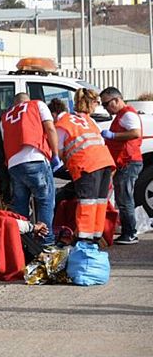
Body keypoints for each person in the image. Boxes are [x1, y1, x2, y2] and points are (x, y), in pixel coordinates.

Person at [50, 90, 116, 244]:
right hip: (105, 163)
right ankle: (96, 237)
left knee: (87, 203)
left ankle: (84, 241)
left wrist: (53, 165)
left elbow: (57, 152)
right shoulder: (88, 120)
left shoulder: (62, 124)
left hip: (87, 166)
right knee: (100, 203)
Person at [0, 92, 59, 245]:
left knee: (20, 205)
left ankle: (23, 243)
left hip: (14, 164)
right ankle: (45, 241)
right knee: (45, 201)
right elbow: (50, 129)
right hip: (35, 159)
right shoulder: (37, 105)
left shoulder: (5, 117)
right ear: (27, 100)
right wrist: (55, 154)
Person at [100, 87, 143, 245]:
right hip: (124, 161)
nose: (105, 108)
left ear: (116, 100)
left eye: (106, 104)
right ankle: (128, 231)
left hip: (128, 161)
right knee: (123, 197)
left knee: (124, 199)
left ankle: (130, 233)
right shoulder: (122, 115)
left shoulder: (127, 114)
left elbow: (135, 133)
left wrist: (113, 136)